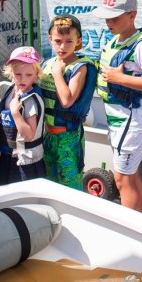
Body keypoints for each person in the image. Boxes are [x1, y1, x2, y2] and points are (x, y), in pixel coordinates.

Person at [93, 0, 142, 212]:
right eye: (107, 17)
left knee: (122, 179)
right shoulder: (115, 40)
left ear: (132, 15)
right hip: (118, 118)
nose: (109, 22)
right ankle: (139, 222)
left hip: (132, 119)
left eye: (115, 17)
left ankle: (132, 229)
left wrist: (120, 78)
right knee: (131, 176)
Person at [39, 15, 98, 190]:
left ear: (78, 41)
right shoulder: (48, 63)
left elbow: (66, 100)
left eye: (68, 41)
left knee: (70, 186)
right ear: (50, 38)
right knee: (50, 183)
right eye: (57, 41)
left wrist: (58, 74)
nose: (62, 46)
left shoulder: (80, 67)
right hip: (47, 135)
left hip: (68, 138)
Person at [0, 46, 46, 184]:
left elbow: (29, 135)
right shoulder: (10, 89)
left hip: (26, 162)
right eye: (18, 74)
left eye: (29, 75)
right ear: (11, 73)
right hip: (9, 156)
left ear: (36, 75)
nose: (23, 79)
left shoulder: (29, 101)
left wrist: (15, 113)